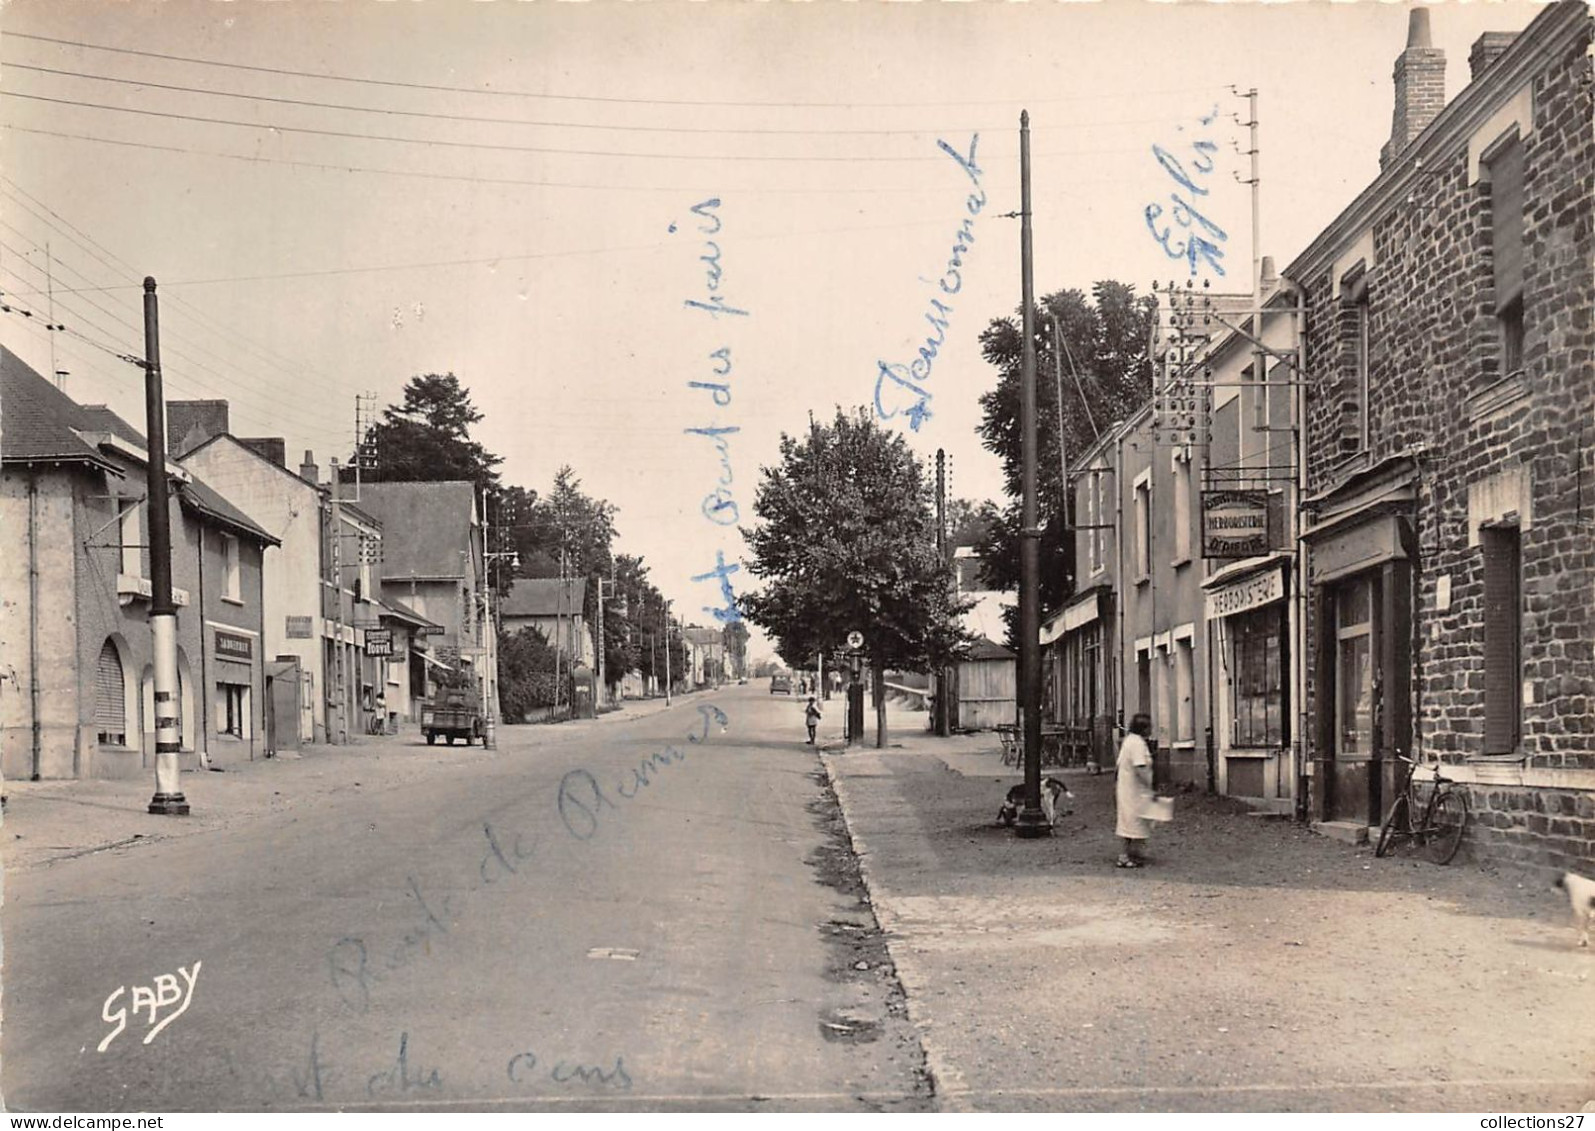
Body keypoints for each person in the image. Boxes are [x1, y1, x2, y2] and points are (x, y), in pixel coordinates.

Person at [1115, 713, 1155, 868]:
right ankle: (1125, 855)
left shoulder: (1129, 740)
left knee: (1130, 820)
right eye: (1149, 727)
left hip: (1127, 786)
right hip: (1134, 789)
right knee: (1133, 820)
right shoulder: (1137, 743)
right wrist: (1149, 786)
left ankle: (1133, 853)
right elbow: (1140, 767)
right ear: (1143, 729)